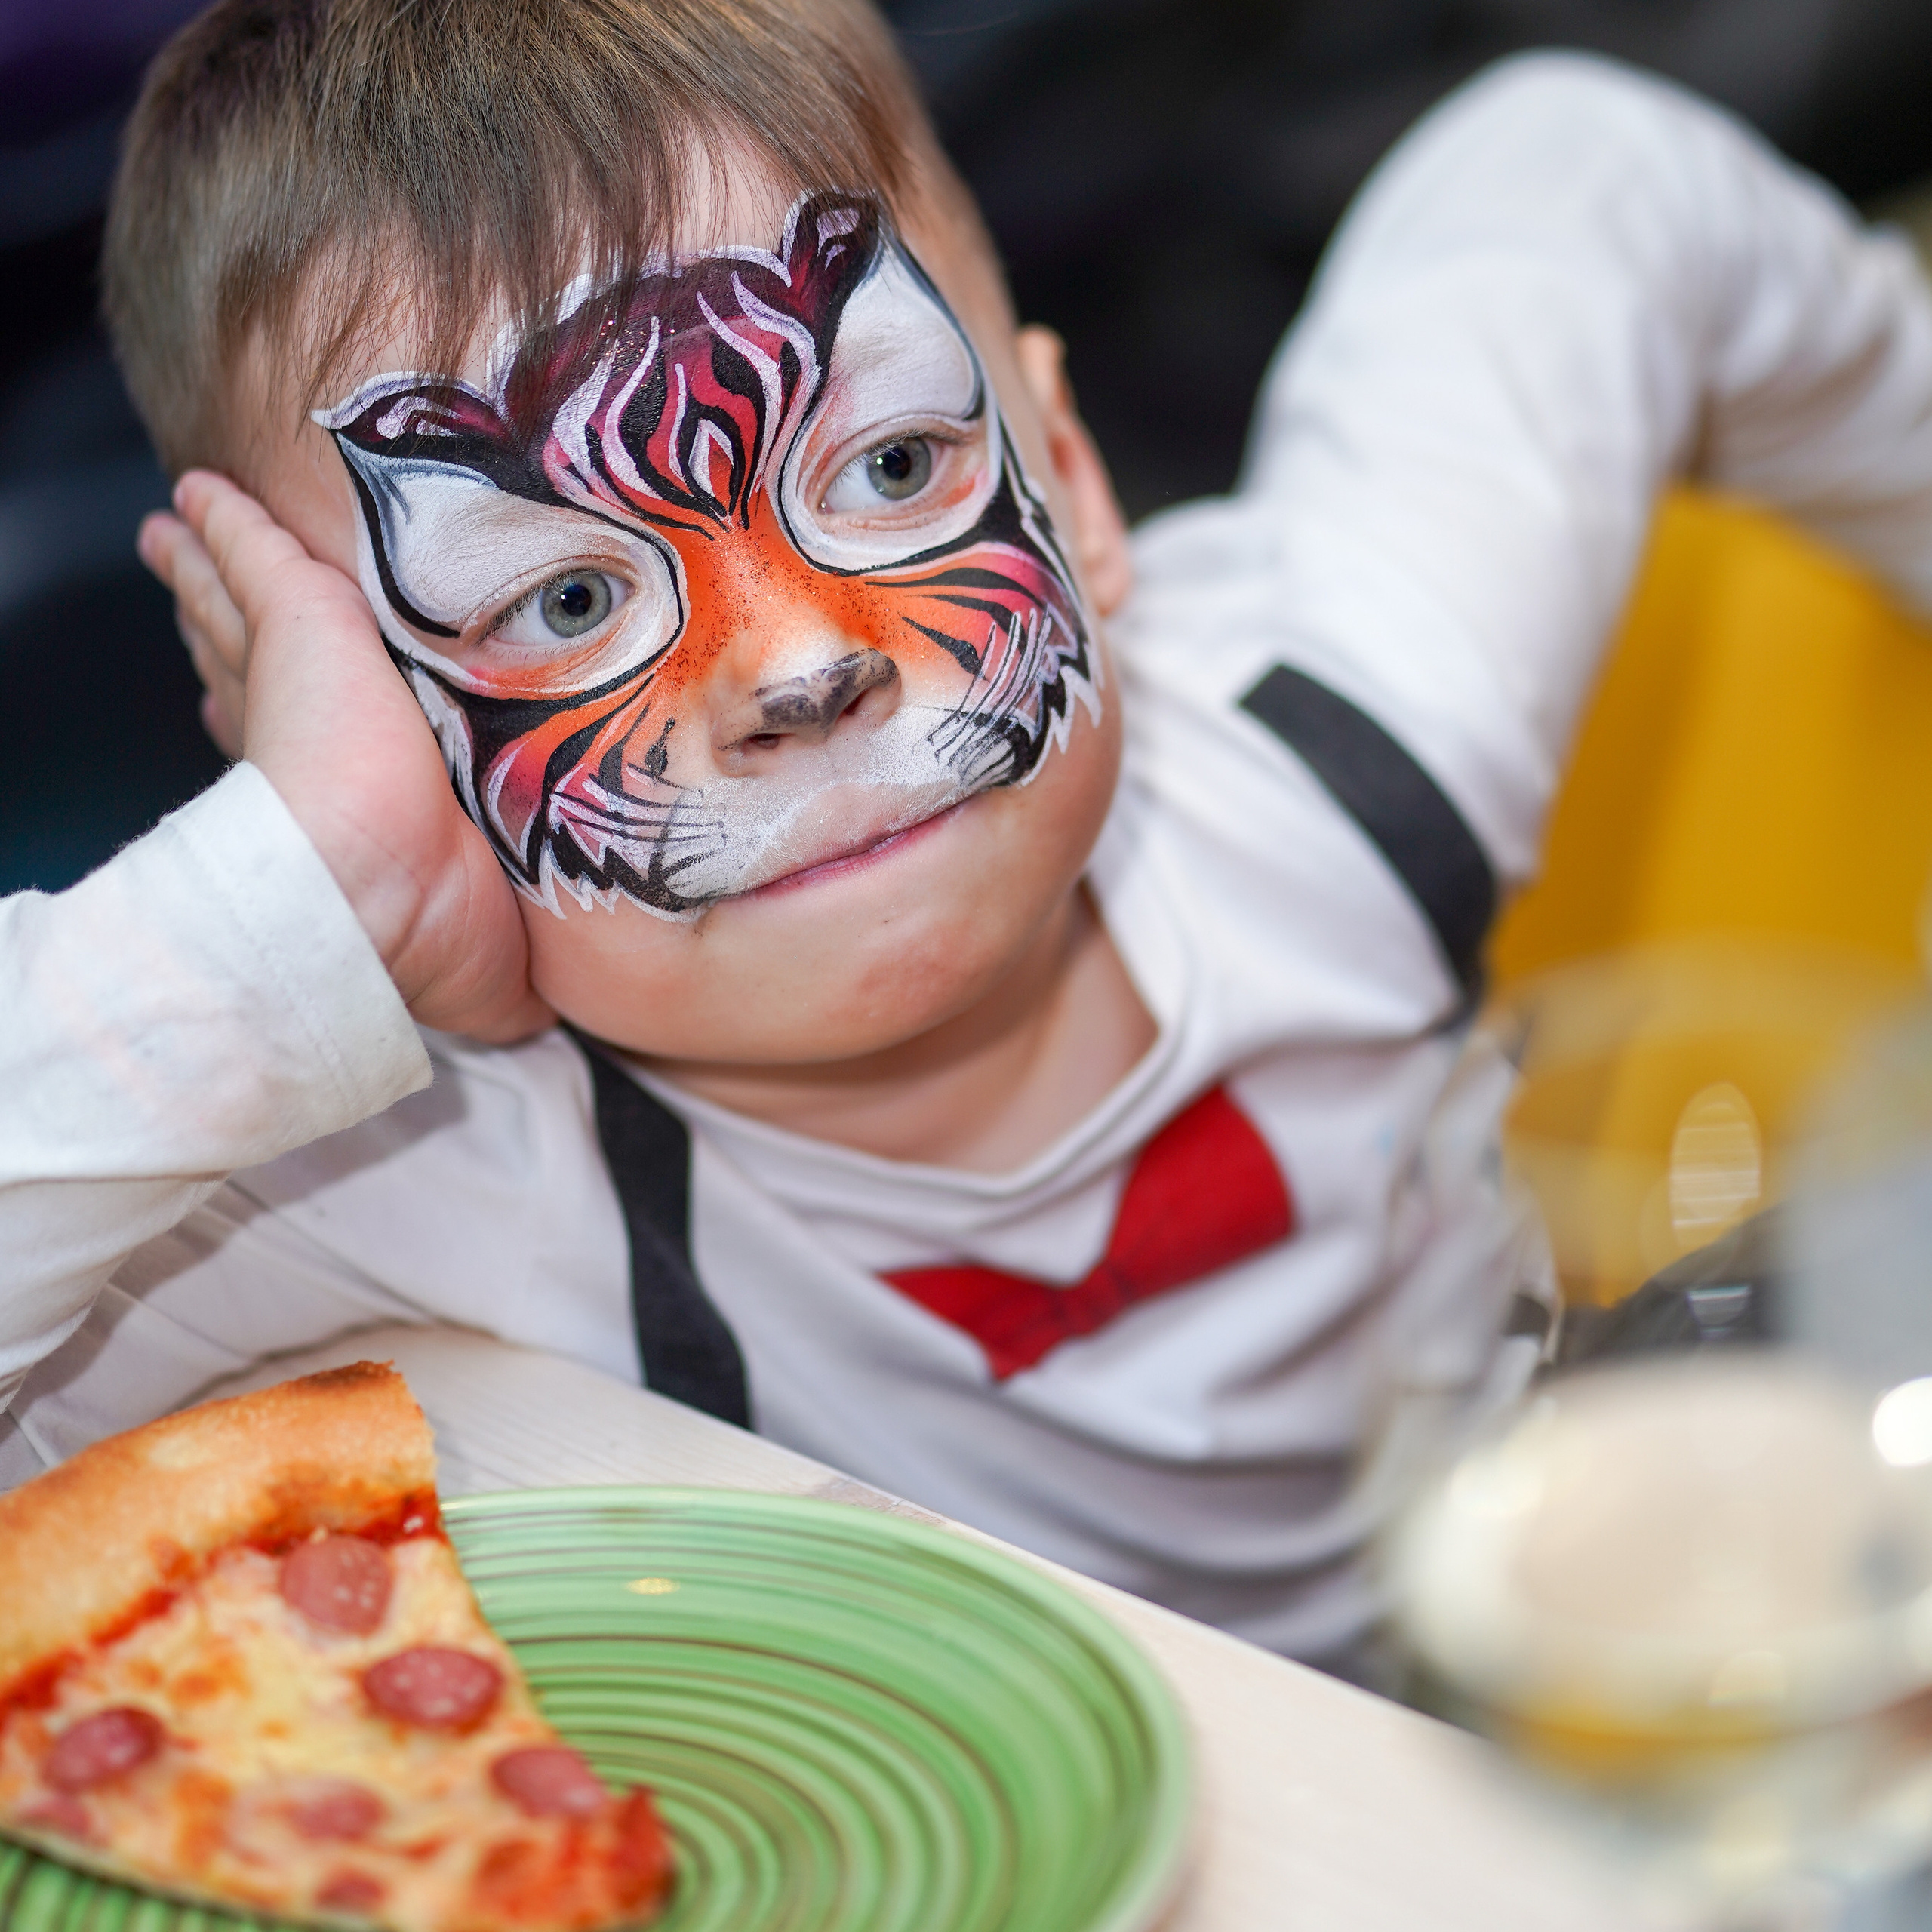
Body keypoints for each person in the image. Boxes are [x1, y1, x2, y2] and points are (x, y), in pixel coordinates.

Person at [5, 0, 1932, 1676]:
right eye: (565, 603)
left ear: (1076, 494)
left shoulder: (1338, 737)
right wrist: (291, 907)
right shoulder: (405, 1173)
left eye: (896, 466)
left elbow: (1571, 185)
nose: (799, 668)